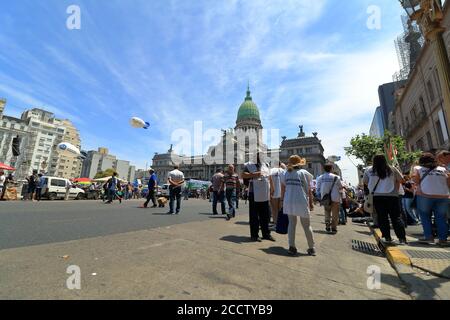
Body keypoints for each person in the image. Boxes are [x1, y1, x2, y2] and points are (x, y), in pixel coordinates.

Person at [363, 154, 406, 245]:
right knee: (396, 217)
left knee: (382, 217)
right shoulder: (392, 169)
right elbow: (401, 180)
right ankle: (402, 239)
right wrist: (396, 190)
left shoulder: (369, 170)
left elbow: (365, 182)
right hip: (392, 196)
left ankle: (387, 238)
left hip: (377, 197)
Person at [411, 153, 450, 246]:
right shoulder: (443, 169)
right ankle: (443, 239)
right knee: (441, 217)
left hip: (425, 195)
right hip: (443, 196)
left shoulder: (417, 169)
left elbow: (415, 181)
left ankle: (428, 237)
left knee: (425, 216)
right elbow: (448, 182)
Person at [281, 155, 316, 256]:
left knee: (291, 224)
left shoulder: (285, 173)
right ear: (299, 164)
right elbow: (309, 189)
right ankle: (311, 248)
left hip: (289, 200)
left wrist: (282, 200)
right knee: (307, 225)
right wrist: (311, 202)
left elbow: (283, 188)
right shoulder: (304, 173)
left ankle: (292, 247)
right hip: (301, 200)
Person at [242, 151, 275, 242]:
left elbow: (270, 177)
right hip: (254, 193)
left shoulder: (266, 165)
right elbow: (243, 175)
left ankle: (266, 234)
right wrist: (254, 174)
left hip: (265, 192)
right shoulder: (248, 165)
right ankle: (254, 235)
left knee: (266, 215)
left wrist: (272, 188)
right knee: (254, 215)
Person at [317, 164, 343, 234]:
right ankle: (334, 228)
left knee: (327, 212)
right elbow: (340, 188)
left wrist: (319, 196)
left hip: (325, 198)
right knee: (335, 214)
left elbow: (318, 188)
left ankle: (327, 226)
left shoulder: (320, 177)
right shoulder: (336, 177)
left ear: (324, 169)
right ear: (331, 169)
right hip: (335, 197)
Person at [269, 162, 286, 229]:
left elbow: (269, 182)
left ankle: (276, 224)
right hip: (282, 193)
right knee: (280, 209)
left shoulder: (271, 170)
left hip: (274, 193)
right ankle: (281, 223)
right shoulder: (283, 171)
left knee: (274, 209)